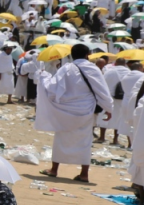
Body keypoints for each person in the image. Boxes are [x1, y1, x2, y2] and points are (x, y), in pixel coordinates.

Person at [36, 44, 112, 183]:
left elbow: (52, 88)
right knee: (85, 141)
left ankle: (54, 170)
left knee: (61, 138)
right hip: (86, 110)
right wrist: (108, 108)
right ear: (87, 54)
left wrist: (44, 77)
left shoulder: (66, 68)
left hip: (66, 111)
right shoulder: (93, 69)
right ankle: (84, 174)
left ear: (71, 55)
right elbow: (102, 90)